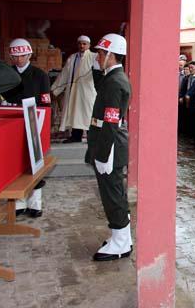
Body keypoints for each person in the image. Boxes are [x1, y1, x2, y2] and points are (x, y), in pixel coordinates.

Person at [85, 33, 132, 261]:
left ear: (110, 55)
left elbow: (111, 121)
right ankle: (120, 236)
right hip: (108, 142)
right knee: (114, 193)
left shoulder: (115, 82)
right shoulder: (113, 77)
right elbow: (99, 85)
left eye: (101, 53)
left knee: (112, 195)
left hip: (109, 145)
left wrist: (103, 154)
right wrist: (96, 67)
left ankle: (121, 243)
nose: (98, 56)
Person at [2, 38, 51, 218]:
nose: (18, 60)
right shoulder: (7, 75)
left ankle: (35, 204)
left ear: (29, 54)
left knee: (34, 164)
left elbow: (46, 104)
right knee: (15, 164)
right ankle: (18, 203)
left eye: (22, 56)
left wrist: (43, 128)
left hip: (34, 124)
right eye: (15, 57)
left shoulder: (40, 75)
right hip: (12, 125)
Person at [51, 35, 97, 143]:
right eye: (80, 43)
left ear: (89, 45)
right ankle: (76, 136)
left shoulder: (94, 57)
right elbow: (64, 74)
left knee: (89, 113)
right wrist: (55, 89)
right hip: (74, 90)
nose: (82, 46)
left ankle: (92, 137)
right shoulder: (72, 58)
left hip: (88, 91)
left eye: (84, 44)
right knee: (75, 113)